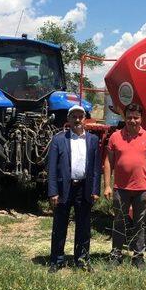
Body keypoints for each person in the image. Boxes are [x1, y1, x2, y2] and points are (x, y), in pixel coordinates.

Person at [103, 102, 146, 269]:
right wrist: (107, 185)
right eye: (129, 117)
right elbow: (108, 162)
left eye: (136, 117)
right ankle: (116, 254)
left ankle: (138, 256)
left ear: (141, 119)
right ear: (124, 118)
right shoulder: (115, 137)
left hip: (142, 188)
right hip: (121, 188)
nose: (132, 121)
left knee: (139, 223)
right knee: (119, 221)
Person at [47, 105, 101, 272]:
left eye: (80, 116)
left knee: (84, 226)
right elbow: (52, 168)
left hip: (84, 188)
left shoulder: (93, 140)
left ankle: (82, 259)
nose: (77, 120)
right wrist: (53, 191)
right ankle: (57, 260)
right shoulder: (59, 140)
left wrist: (95, 190)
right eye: (74, 117)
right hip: (64, 188)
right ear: (68, 120)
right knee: (59, 225)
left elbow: (96, 168)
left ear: (85, 119)